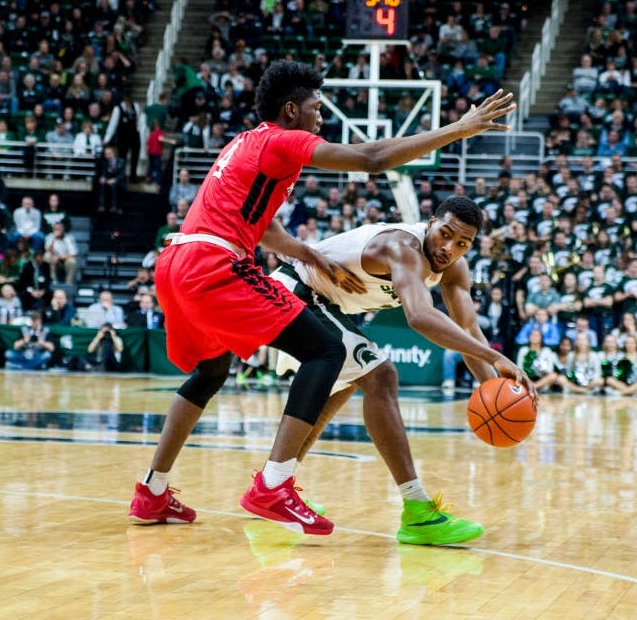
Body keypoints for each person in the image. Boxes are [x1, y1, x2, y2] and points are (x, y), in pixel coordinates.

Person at [127, 61, 517, 536]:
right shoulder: (282, 139)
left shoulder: (248, 144)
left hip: (179, 261)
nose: (321, 117)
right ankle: (279, 487)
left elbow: (262, 225)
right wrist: (458, 128)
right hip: (227, 268)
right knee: (342, 358)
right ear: (291, 110)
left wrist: (308, 248)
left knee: (215, 371)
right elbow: (372, 158)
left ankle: (153, 491)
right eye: (315, 108)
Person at [268, 197, 535, 544]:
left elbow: (468, 329)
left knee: (349, 382)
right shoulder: (403, 247)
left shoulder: (454, 268)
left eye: (462, 243)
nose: (448, 247)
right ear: (430, 223)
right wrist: (496, 357)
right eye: (445, 234)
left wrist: (494, 391)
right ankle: (417, 512)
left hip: (322, 303)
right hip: (296, 291)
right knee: (380, 375)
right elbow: (420, 317)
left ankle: (276, 488)